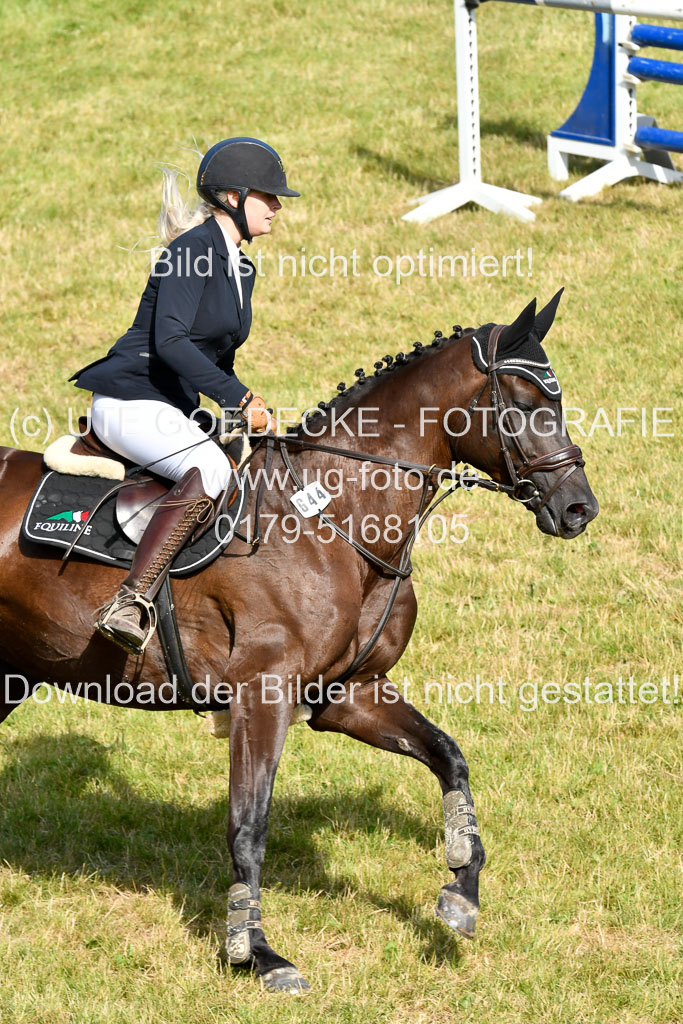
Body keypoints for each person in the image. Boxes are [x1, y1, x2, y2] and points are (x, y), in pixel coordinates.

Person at [70, 136, 300, 655]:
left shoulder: (242, 269)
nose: (278, 206)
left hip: (172, 408)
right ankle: (130, 601)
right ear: (233, 198)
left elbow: (217, 356)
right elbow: (171, 341)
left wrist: (240, 412)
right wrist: (240, 399)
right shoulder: (190, 252)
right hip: (130, 400)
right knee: (211, 470)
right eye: (269, 195)